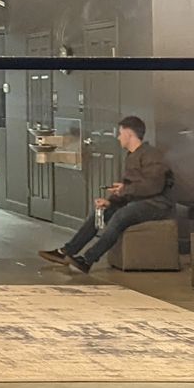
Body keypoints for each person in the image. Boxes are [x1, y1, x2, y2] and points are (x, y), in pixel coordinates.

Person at [38, 115, 173, 275]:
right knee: (99, 213)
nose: (118, 137)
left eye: (120, 133)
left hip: (155, 204)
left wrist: (124, 190)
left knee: (120, 216)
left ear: (129, 134)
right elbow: (130, 187)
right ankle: (67, 251)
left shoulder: (151, 155)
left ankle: (88, 259)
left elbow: (153, 185)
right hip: (138, 201)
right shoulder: (131, 156)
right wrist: (111, 202)